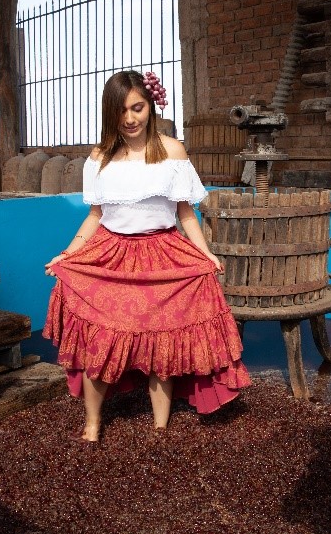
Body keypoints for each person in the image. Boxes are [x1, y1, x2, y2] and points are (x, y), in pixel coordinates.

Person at [43, 70, 251, 442]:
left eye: (137, 108)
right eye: (121, 111)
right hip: (110, 257)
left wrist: (206, 255)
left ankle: (160, 427)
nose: (130, 118)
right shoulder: (99, 158)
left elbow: (186, 212)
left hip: (163, 255)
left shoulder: (172, 150)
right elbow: (95, 215)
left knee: (162, 345)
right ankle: (92, 423)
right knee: (100, 344)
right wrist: (68, 253)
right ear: (111, 114)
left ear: (150, 105)